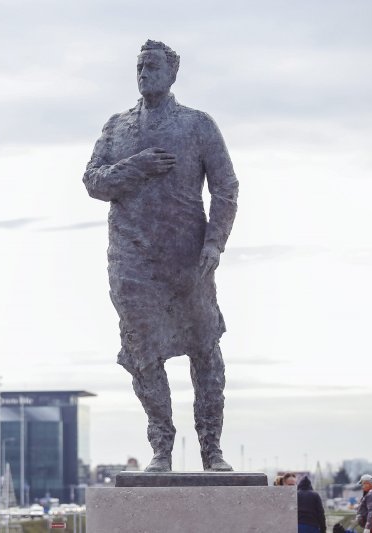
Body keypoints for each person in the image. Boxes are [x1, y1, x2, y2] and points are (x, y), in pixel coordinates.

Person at [83, 39, 239, 472]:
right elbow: (93, 182)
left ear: (172, 74)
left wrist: (214, 243)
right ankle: (162, 447)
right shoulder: (117, 127)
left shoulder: (197, 125)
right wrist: (135, 166)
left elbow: (226, 187)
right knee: (143, 353)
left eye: (152, 66)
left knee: (205, 349)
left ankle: (212, 449)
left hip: (187, 257)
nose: (143, 73)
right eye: (139, 67)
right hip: (132, 261)